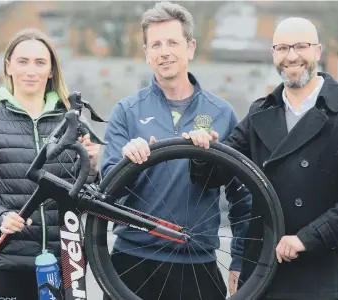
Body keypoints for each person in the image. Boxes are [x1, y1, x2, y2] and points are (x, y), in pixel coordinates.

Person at [183, 17, 338, 300]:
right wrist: (203, 152)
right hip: (263, 270)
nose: (291, 56)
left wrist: (306, 239)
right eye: (283, 48)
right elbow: (217, 175)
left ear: (318, 51)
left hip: (320, 275)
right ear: (274, 54)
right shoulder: (259, 113)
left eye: (301, 46)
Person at [100, 2, 252, 299]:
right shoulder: (126, 111)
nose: (164, 51)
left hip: (198, 262)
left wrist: (240, 258)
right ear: (146, 54)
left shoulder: (221, 112)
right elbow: (106, 193)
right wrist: (126, 163)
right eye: (155, 44)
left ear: (190, 47)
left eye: (172, 42)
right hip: (131, 261)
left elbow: (243, 196)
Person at [0, 28, 100, 300]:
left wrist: (93, 167)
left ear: (51, 71)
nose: (30, 70)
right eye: (23, 61)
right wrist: (1, 217)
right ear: (8, 66)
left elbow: (87, 194)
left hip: (65, 262)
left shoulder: (72, 122)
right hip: (3, 262)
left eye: (40, 63)